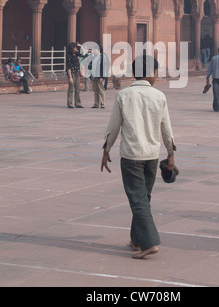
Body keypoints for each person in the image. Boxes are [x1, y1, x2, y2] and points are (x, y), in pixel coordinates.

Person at [101, 53, 176, 260]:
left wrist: (106, 150)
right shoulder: (159, 96)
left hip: (131, 156)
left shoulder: (123, 96)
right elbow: (166, 129)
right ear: (152, 73)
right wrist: (171, 154)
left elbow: (113, 126)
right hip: (151, 156)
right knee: (143, 198)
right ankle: (136, 240)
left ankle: (150, 242)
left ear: (134, 73)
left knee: (138, 199)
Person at [66, 42, 83, 109]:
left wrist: (81, 46)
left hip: (77, 73)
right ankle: (69, 103)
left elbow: (83, 53)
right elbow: (68, 67)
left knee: (78, 88)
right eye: (75, 47)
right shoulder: (68, 55)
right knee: (71, 89)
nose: (76, 48)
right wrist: (70, 77)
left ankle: (78, 103)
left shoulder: (76, 54)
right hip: (72, 73)